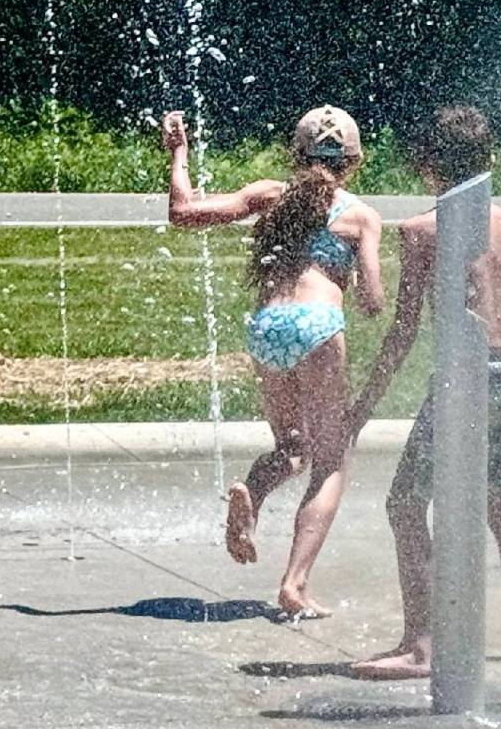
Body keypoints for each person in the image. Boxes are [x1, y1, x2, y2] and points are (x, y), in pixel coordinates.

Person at [344, 105, 501, 679]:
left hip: (463, 380)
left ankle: (422, 644)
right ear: (487, 161)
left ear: (424, 166)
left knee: (405, 502)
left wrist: (363, 407)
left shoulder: (422, 232)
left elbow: (403, 332)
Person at [164, 105, 384, 621]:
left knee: (291, 446)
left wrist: (178, 152)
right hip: (319, 328)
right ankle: (295, 584)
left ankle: (253, 493)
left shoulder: (269, 196)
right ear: (354, 162)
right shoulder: (360, 216)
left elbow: (182, 213)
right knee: (329, 460)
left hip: (267, 327)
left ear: (296, 152)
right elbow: (374, 301)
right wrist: (357, 282)